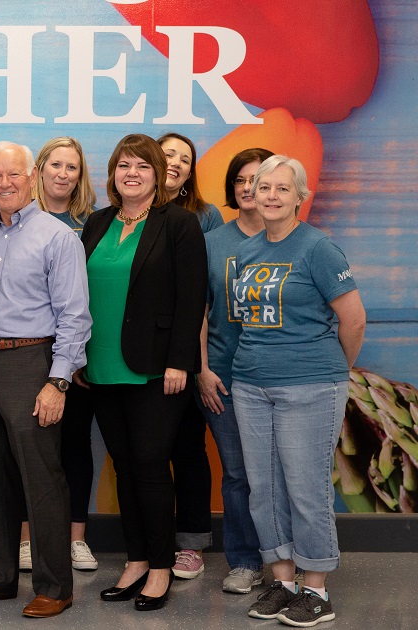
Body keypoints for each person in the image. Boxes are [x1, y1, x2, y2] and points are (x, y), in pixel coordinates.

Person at [0, 142, 87, 618]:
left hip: (32, 363)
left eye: (13, 174)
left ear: (32, 177)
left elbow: (74, 317)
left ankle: (54, 586)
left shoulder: (57, 237)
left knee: (42, 477)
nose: (4, 183)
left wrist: (58, 382)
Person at [231, 155, 365, 627]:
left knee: (305, 490)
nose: (270, 195)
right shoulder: (247, 252)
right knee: (263, 488)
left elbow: (353, 320)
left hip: (309, 384)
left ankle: (316, 590)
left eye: (282, 189)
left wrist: (331, 373)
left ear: (299, 197)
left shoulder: (319, 249)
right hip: (249, 384)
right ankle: (283, 581)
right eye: (262, 187)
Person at [81, 133, 207, 612]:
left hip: (157, 369)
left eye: (142, 166)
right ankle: (134, 560)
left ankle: (159, 567)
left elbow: (191, 297)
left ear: (158, 175)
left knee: (152, 466)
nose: (131, 173)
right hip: (101, 365)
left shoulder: (178, 224)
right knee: (124, 466)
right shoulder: (96, 223)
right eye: (123, 165)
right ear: (112, 173)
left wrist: (181, 361)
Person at [17, 136, 100, 573]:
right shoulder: (19, 218)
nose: (63, 174)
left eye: (72, 167)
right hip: (28, 350)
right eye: (56, 165)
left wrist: (79, 355)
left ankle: (76, 538)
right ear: (39, 170)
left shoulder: (93, 223)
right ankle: (29, 538)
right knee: (32, 445)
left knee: (75, 445)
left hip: (75, 350)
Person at [197, 147, 274, 594]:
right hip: (222, 377)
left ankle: (285, 559)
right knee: (239, 474)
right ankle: (245, 561)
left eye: (259, 179)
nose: (249, 188)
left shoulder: (299, 240)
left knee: (282, 472)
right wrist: (203, 370)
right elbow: (199, 314)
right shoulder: (212, 244)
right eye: (242, 180)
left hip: (278, 376)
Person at [158, 131, 221, 580]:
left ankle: (191, 542)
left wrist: (194, 360)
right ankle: (149, 542)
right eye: (167, 154)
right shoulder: (122, 213)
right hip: (133, 355)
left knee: (187, 448)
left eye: (185, 158)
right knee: (143, 454)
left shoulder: (204, 216)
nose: (176, 162)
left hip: (187, 350)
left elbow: (209, 290)